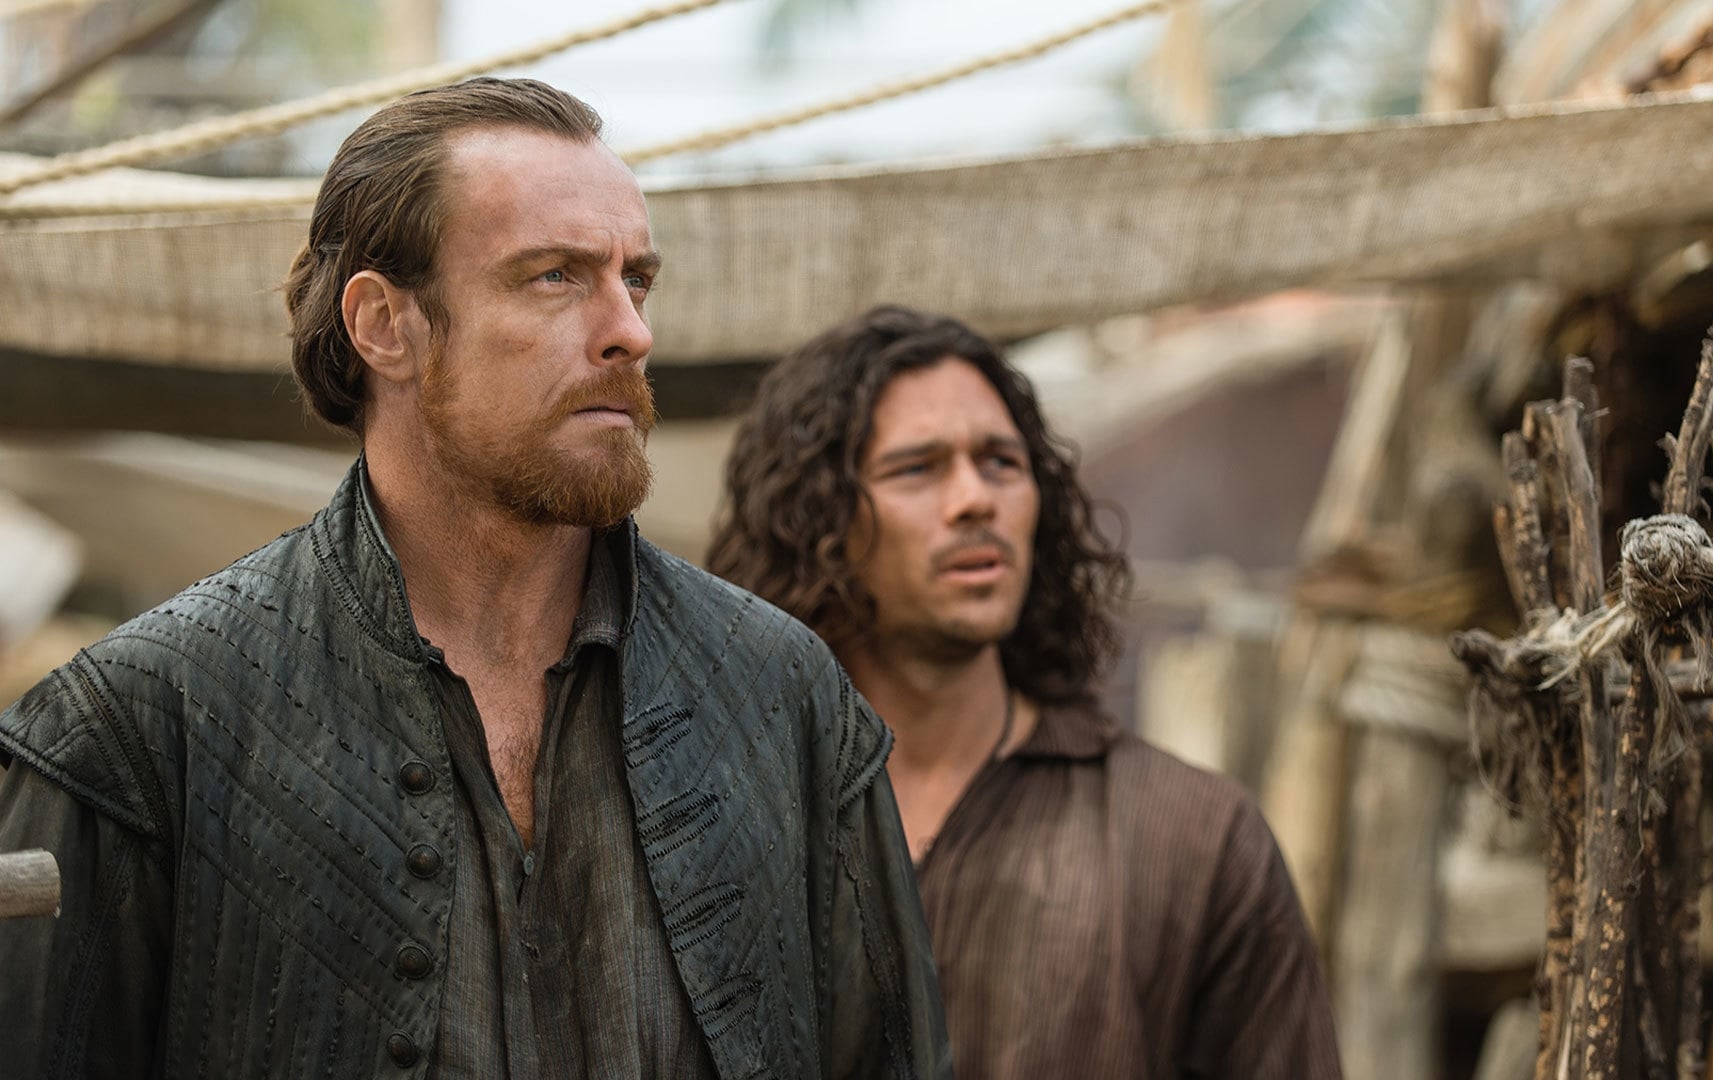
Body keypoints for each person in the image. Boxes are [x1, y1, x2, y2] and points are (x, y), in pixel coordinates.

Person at [0, 78, 948, 1079]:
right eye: (555, 276)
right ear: (384, 324)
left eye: (636, 279)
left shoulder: (784, 696)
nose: (631, 331)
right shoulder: (141, 724)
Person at [709, 306, 1342, 1078]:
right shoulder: (726, 830)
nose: (975, 498)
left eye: (1002, 463)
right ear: (820, 521)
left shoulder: (1191, 840)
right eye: (918, 469)